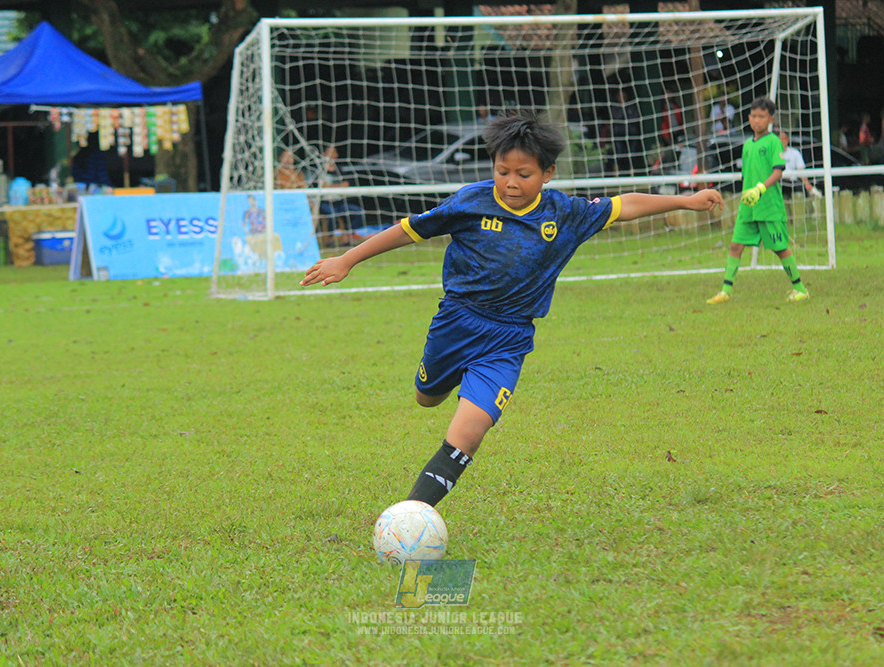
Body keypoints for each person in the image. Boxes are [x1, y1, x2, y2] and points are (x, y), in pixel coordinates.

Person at [301, 112, 723, 508]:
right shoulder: (471, 201)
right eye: (503, 172)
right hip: (456, 322)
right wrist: (348, 259)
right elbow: (410, 229)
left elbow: (623, 205)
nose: (511, 182)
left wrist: (685, 202)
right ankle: (443, 385)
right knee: (426, 398)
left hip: (508, 338)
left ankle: (413, 516)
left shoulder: (564, 213)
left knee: (469, 433)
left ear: (547, 174)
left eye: (524, 174)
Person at [707, 97, 810, 305]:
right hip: (748, 207)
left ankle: (800, 289)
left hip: (769, 206)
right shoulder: (746, 146)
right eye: (753, 116)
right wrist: (747, 192)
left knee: (780, 248)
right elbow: (746, 176)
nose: (757, 120)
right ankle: (725, 291)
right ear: (748, 117)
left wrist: (761, 188)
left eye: (761, 116)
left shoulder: (773, 141)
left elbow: (778, 172)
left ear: (770, 118)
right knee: (735, 246)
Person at [318, 144, 366, 244]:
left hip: (339, 202)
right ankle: (329, 239)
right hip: (324, 202)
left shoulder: (340, 170)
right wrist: (338, 185)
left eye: (334, 152)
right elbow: (323, 186)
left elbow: (346, 184)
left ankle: (347, 235)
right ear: (324, 154)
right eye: (330, 152)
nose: (332, 155)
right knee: (332, 214)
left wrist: (331, 186)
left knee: (359, 212)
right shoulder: (319, 170)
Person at [610, 87, 643, 176]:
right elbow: (616, 118)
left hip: (631, 133)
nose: (622, 97)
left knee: (631, 154)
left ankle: (631, 174)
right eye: (620, 96)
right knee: (618, 153)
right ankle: (616, 174)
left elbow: (635, 118)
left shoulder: (632, 106)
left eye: (623, 95)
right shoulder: (614, 107)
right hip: (619, 134)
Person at [779, 131, 820, 197]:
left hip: (793, 183)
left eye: (785, 138)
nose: (783, 141)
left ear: (788, 139)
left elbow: (801, 170)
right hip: (779, 182)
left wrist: (807, 184)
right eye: (781, 139)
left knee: (801, 189)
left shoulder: (795, 152)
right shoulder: (774, 154)